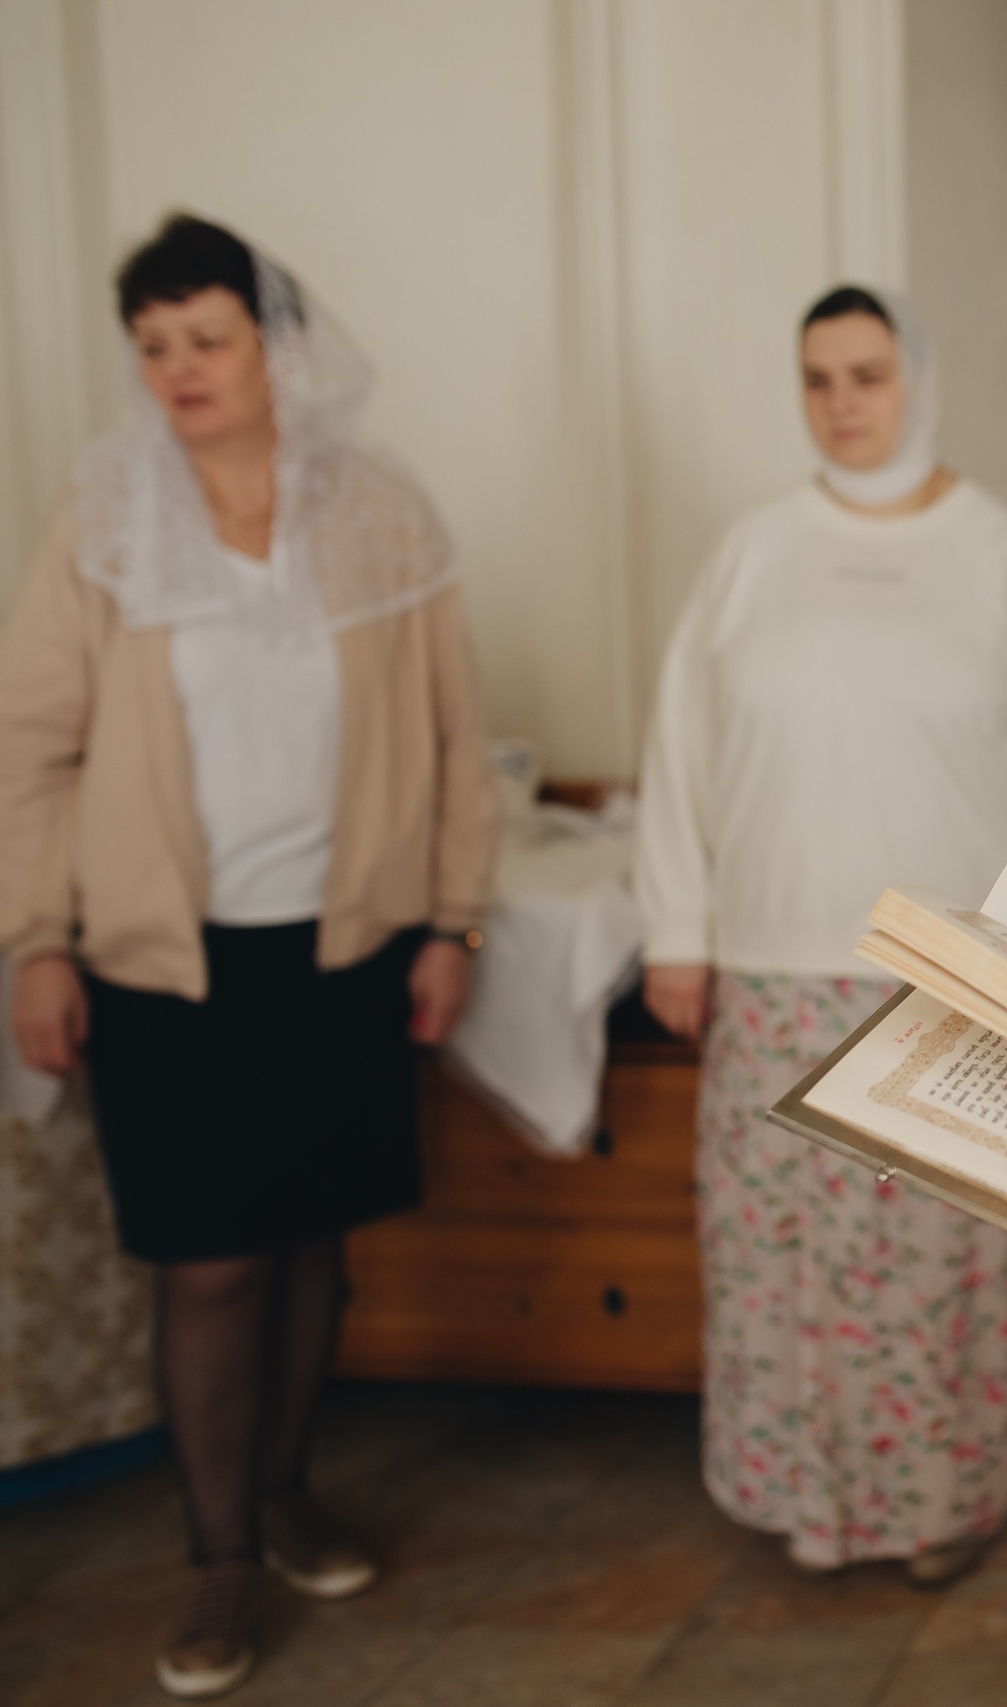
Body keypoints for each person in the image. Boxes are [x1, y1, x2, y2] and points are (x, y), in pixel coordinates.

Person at [0, 214, 498, 1700]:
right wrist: (38, 943)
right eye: (153, 347)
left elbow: (459, 741)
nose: (179, 371)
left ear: (275, 346)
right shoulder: (100, 521)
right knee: (210, 1263)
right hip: (166, 964)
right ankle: (219, 1555)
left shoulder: (383, 513)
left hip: (345, 945)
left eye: (206, 338)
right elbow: (30, 749)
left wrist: (453, 920)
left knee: (312, 1243)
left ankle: (287, 1492)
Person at [635, 285, 1007, 1586]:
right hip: (775, 962)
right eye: (819, 379)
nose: (843, 403)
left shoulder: (1004, 556)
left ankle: (944, 1503)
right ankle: (806, 1503)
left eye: (868, 375)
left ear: (920, 380)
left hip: (955, 969)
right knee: (783, 1253)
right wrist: (677, 932)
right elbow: (679, 752)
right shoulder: (751, 553)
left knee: (945, 1255)